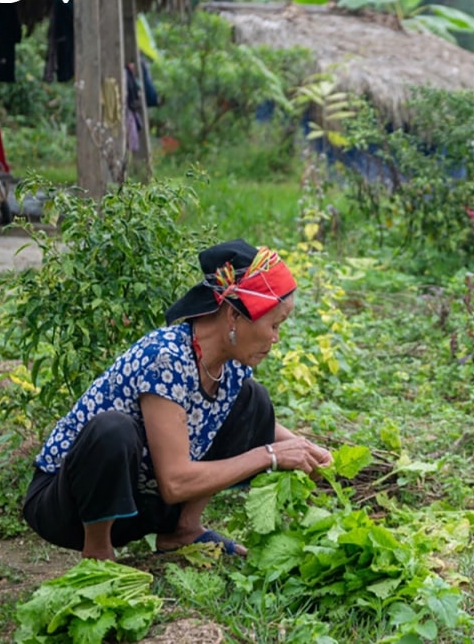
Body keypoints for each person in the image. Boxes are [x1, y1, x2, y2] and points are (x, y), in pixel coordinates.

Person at [22, 240, 332, 560]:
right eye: (274, 325)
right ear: (232, 316)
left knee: (254, 400)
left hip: (139, 503)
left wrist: (303, 448)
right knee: (113, 430)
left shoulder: (230, 365)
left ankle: (183, 529)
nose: (276, 338)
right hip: (67, 506)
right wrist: (269, 455)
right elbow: (174, 483)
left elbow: (252, 421)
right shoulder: (167, 358)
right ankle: (98, 553)